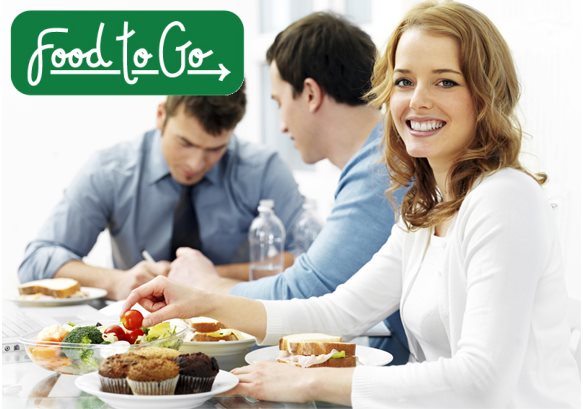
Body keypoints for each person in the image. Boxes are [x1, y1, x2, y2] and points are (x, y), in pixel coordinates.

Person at [122, 1, 580, 407]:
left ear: (485, 95)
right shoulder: (424, 208)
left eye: (445, 81)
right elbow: (334, 311)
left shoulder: (504, 198)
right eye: (404, 81)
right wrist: (201, 303)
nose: (417, 101)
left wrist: (309, 383)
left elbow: (481, 381)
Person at [166, 12, 410, 364]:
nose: (281, 126)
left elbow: (307, 292)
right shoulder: (377, 160)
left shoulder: (381, 169)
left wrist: (206, 287)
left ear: (310, 94)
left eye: (279, 103)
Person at [18, 84, 306, 300]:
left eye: (215, 149)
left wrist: (207, 277)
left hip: (242, 332)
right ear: (160, 115)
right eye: (185, 143)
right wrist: (117, 281)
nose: (196, 163)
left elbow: (307, 259)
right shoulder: (110, 170)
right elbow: (36, 261)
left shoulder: (263, 169)